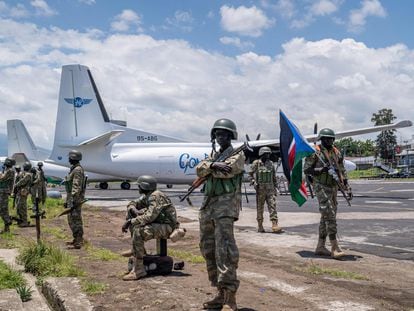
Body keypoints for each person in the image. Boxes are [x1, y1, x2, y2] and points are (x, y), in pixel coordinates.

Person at [196, 118, 245, 311]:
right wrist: (212, 165)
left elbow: (228, 170)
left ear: (231, 136)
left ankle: (230, 297)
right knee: (208, 248)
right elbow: (199, 170)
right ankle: (219, 291)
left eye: (223, 134)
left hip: (225, 208)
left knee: (224, 249)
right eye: (217, 134)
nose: (220, 137)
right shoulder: (214, 155)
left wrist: (212, 167)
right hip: (209, 206)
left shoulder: (237, 155)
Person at [304, 128, 352, 259]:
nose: (329, 141)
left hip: (334, 186)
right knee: (330, 215)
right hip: (321, 186)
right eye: (326, 138)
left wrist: (347, 186)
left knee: (326, 217)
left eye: (331, 138)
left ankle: (320, 246)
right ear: (321, 139)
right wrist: (322, 169)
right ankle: (335, 246)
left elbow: (342, 170)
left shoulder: (336, 152)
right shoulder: (315, 152)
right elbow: (307, 170)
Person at [122, 175, 178, 281]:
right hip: (159, 223)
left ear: (144, 186)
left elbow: (150, 216)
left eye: (139, 186)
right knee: (131, 215)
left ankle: (139, 270)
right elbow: (132, 203)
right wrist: (133, 210)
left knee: (138, 231)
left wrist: (130, 222)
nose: (138, 188)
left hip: (167, 226)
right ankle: (137, 249)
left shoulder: (155, 196)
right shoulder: (147, 195)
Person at [249, 146, 283, 233]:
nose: (268, 155)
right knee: (260, 208)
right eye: (266, 154)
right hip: (260, 190)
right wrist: (253, 181)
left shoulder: (271, 163)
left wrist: (276, 187)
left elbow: (273, 176)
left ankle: (274, 224)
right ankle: (260, 225)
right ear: (262, 154)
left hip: (270, 189)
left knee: (273, 206)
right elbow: (250, 174)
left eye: (268, 154)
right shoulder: (256, 163)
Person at [65, 150, 86, 249]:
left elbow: (76, 186)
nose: (68, 159)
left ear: (73, 158)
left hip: (75, 200)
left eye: (70, 157)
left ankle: (79, 241)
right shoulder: (74, 169)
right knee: (71, 219)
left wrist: (73, 199)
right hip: (72, 199)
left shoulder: (77, 170)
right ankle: (76, 239)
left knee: (75, 220)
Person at [13, 162, 33, 227]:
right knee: (18, 206)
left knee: (22, 207)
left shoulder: (28, 175)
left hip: (23, 192)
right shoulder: (24, 173)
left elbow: (22, 181)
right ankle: (20, 220)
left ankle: (24, 221)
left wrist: (16, 185)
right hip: (20, 191)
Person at [0, 158, 16, 233]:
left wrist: (1, 174)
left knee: (3, 209)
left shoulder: (10, 171)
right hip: (3, 191)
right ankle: (7, 228)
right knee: (3, 209)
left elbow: (2, 178)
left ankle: (8, 221)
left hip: (4, 192)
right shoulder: (9, 170)